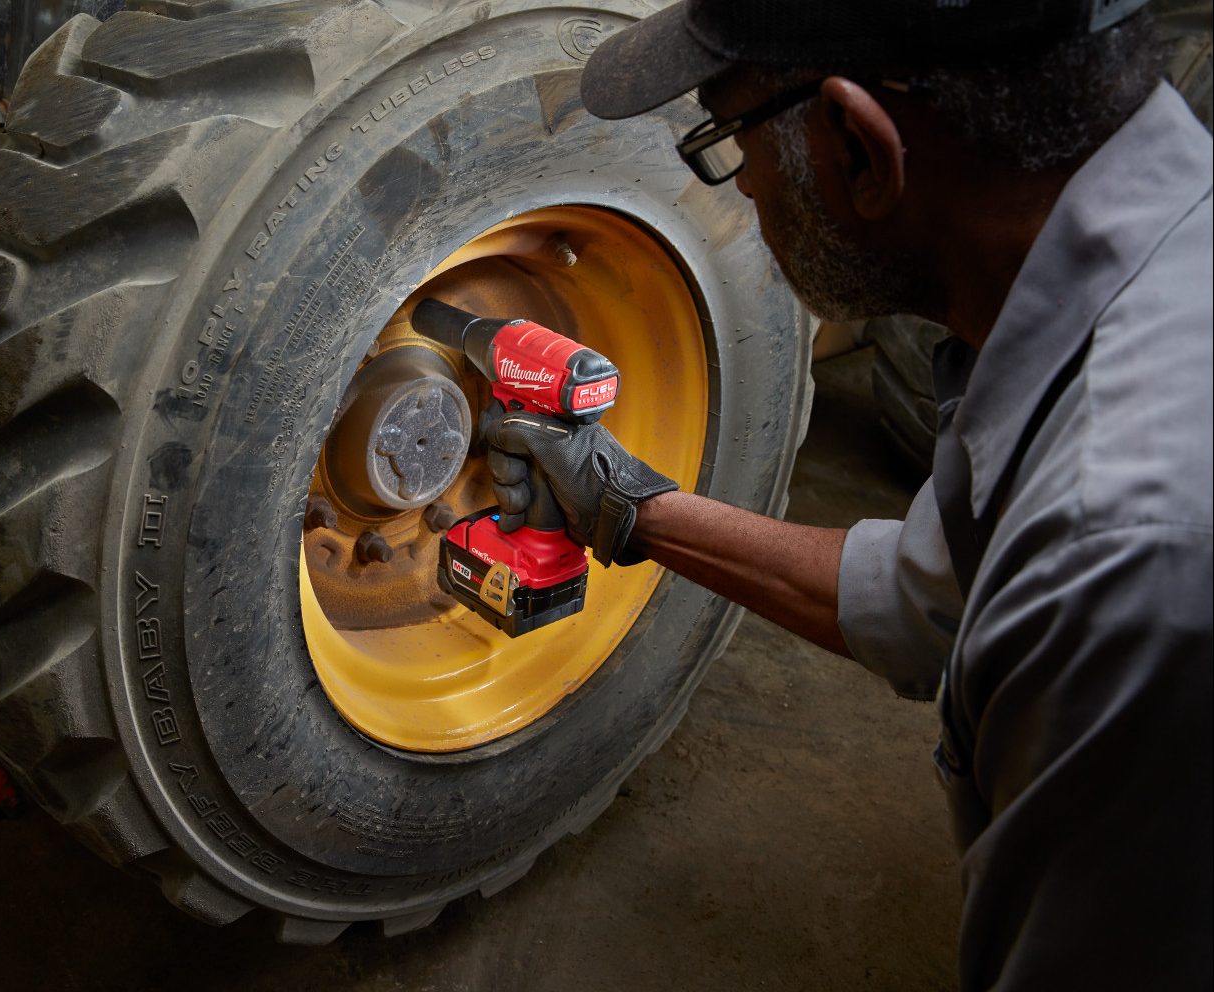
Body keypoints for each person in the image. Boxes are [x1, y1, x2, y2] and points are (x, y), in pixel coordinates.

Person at [482, 0, 1213, 986]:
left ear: (859, 149)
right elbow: (928, 599)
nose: (742, 197)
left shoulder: (1126, 553)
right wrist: (625, 504)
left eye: (728, 144)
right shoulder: (1132, 270)